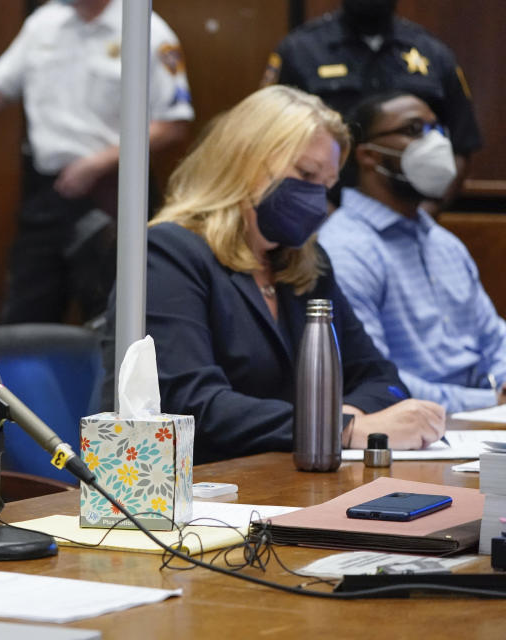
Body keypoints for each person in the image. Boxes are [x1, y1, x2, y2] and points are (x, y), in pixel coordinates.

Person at [105, 85, 446, 465]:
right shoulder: (168, 253)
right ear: (244, 160)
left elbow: (380, 377)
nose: (318, 198)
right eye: (306, 173)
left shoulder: (307, 265)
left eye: (327, 185)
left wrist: (349, 421)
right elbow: (191, 404)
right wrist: (342, 427)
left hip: (281, 481)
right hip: (186, 494)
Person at [0, 0, 193, 323]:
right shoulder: (44, 24)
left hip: (114, 196)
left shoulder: (146, 29)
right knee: (24, 316)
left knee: (115, 321)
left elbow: (173, 124)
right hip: (49, 192)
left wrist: (97, 164)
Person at [319, 92, 506, 414]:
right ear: (369, 155)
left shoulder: (444, 242)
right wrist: (489, 402)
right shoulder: (344, 247)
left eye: (436, 129)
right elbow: (372, 376)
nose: (435, 143)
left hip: (485, 419)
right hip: (413, 426)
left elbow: (494, 337)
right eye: (414, 129)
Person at [261, 0, 481, 206]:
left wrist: (427, 211)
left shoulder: (432, 53)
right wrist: (320, 215)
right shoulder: (300, 50)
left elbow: (462, 143)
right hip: (323, 212)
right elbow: (269, 141)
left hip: (413, 213)